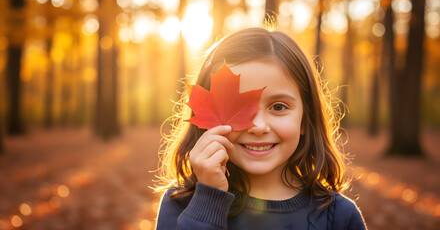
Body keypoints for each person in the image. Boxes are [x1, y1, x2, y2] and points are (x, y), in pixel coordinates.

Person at [155, 28, 367, 230]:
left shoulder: (339, 217)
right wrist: (209, 199)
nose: (258, 126)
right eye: (238, 106)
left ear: (305, 119)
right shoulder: (181, 204)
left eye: (278, 107)